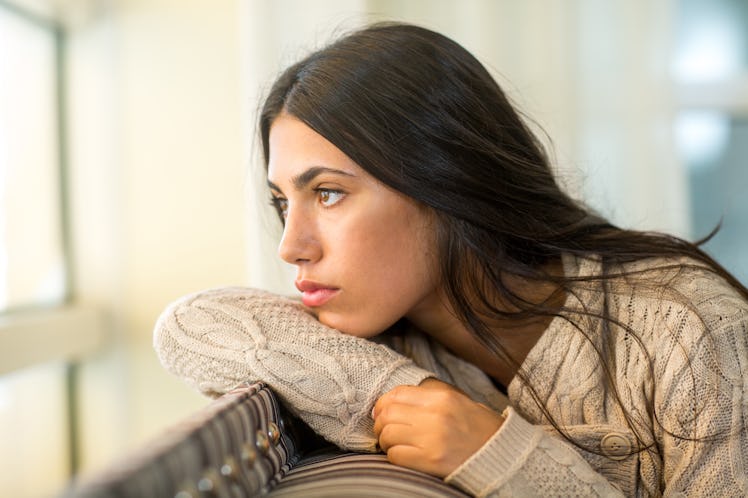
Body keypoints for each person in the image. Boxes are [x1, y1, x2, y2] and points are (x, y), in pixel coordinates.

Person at [154, 22, 748, 496]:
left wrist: (498, 456)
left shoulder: (690, 329)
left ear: (442, 181)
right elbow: (193, 325)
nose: (291, 245)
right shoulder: (378, 346)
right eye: (283, 202)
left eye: (328, 193)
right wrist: (404, 395)